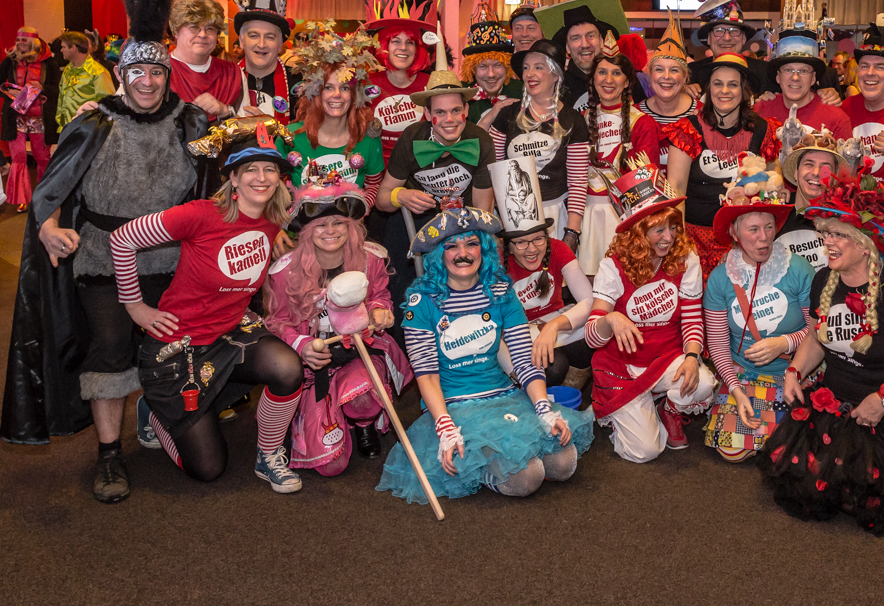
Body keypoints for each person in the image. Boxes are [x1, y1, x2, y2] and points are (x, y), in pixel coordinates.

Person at [1, 0, 211, 504]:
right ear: (121, 75)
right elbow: (51, 187)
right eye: (136, 72)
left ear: (168, 76)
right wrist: (46, 225)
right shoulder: (94, 121)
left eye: (156, 72)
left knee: (173, 345)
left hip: (173, 255)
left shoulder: (189, 121)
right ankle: (109, 455)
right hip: (101, 258)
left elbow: (217, 178)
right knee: (111, 351)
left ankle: (161, 423)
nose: (147, 82)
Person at [109, 116, 305, 492]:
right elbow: (121, 239)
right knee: (208, 469)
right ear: (232, 177)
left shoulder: (272, 219)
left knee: (287, 368)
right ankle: (157, 411)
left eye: (270, 169)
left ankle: (269, 455)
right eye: (250, 169)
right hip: (177, 346)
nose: (261, 178)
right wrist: (135, 307)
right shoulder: (199, 214)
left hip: (229, 334)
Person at [758, 173, 884, 535]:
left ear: (866, 245)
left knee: (868, 498)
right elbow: (817, 339)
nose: (827, 242)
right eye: (825, 233)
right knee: (811, 485)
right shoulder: (823, 281)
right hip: (834, 404)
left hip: (882, 414)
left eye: (838, 235)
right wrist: (794, 372)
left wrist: (882, 399)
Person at [377, 206, 593, 502]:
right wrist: (444, 427)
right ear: (438, 254)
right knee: (527, 478)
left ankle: (499, 455)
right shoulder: (421, 301)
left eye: (471, 244)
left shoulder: (501, 291)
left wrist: (543, 408)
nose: (461, 254)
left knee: (564, 463)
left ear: (484, 248)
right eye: (450, 246)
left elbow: (522, 356)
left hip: (501, 394)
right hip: (454, 403)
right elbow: (425, 374)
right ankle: (478, 470)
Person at [264, 178, 412, 476]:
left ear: (351, 226)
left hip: (360, 351)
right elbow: (276, 321)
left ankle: (364, 423)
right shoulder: (284, 272)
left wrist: (380, 312)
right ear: (306, 231)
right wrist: (302, 346)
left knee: (362, 399)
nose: (330, 231)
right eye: (320, 225)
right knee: (331, 466)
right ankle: (329, 418)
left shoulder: (371, 259)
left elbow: (380, 296)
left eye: (338, 223)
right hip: (314, 364)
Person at [586, 163, 715, 461]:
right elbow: (593, 338)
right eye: (659, 229)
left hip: (667, 358)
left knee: (704, 383)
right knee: (645, 452)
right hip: (622, 367)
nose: (669, 237)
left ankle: (669, 409)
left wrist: (693, 357)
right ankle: (636, 405)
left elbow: (693, 319)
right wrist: (610, 319)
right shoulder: (613, 267)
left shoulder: (686, 258)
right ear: (637, 232)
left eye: (673, 227)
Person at [702, 154, 814, 462]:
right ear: (735, 234)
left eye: (768, 227)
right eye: (753, 230)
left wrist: (785, 342)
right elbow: (718, 345)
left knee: (792, 452)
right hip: (744, 374)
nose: (763, 238)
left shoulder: (799, 269)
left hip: (797, 371)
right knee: (730, 449)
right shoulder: (721, 278)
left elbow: (819, 333)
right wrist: (736, 391)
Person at [378, 36, 497, 307]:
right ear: (427, 113)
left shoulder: (480, 140)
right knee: (403, 291)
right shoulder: (411, 138)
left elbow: (483, 211)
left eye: (456, 110)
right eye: (440, 112)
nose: (449, 120)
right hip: (415, 224)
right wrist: (402, 196)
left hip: (461, 224)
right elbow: (382, 200)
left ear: (466, 109)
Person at [664, 54, 782, 276]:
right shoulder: (687, 129)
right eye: (717, 84)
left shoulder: (763, 130)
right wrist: (681, 245)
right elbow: (675, 189)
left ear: (744, 90)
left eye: (733, 84)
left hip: (746, 243)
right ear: (709, 88)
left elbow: (773, 185)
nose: (724, 91)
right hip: (694, 240)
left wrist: (747, 244)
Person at [493, 161, 594, 389]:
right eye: (520, 242)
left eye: (539, 239)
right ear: (507, 246)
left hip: (553, 322)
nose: (531, 249)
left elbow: (589, 301)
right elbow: (491, 327)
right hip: (516, 335)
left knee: (588, 343)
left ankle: (567, 404)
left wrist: (553, 326)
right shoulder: (496, 263)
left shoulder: (558, 248)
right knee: (553, 365)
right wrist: (513, 369)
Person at [489, 39, 588, 253]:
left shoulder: (573, 120)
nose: (529, 74)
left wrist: (572, 231)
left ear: (555, 75)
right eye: (526, 68)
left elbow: (578, 181)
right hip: (511, 216)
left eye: (538, 67)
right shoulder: (506, 115)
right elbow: (492, 173)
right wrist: (497, 224)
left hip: (555, 215)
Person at [577, 33, 661, 275]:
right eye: (602, 72)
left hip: (626, 216)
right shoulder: (581, 120)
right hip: (587, 213)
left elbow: (648, 180)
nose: (609, 79)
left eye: (616, 73)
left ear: (627, 82)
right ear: (592, 80)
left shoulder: (642, 123)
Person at [280, 21, 385, 204]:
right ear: (316, 92)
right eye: (328, 87)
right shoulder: (290, 136)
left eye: (344, 88)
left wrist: (359, 210)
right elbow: (273, 182)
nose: (337, 95)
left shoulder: (367, 137)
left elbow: (373, 184)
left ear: (354, 95)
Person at [690, 0, 840, 102]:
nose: (727, 37)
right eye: (719, 30)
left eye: (734, 31)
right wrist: (682, 92)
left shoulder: (767, 72)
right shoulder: (692, 73)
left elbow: (799, 90)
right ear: (708, 39)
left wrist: (823, 92)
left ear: (743, 39)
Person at [364, 0, 438, 164]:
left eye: (410, 42)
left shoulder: (431, 83)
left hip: (419, 170)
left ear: (418, 48)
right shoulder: (366, 83)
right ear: (384, 45)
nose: (403, 48)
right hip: (375, 169)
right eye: (395, 41)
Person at [777, 130, 860, 272]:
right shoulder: (774, 216)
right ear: (796, 173)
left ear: (834, 178)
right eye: (809, 164)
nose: (816, 173)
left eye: (826, 167)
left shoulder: (848, 221)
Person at [2, 27, 61, 212]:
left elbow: (57, 89)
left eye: (23, 40)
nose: (19, 43)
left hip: (40, 117)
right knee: (18, 157)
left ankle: (44, 197)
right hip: (16, 117)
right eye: (18, 39)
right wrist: (6, 90)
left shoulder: (49, 62)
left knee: (42, 157)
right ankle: (22, 199)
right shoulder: (10, 60)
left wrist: (41, 87)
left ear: (33, 42)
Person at [547, 0, 645, 110]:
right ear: (568, 48)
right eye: (576, 38)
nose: (584, 44)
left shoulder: (624, 77)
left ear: (602, 41)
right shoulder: (557, 87)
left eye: (590, 36)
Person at [754, 28, 851, 138]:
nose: (795, 77)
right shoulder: (758, 113)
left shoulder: (837, 120)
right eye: (788, 70)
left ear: (813, 78)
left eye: (804, 71)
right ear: (778, 77)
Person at [843, 23, 884, 189]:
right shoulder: (844, 109)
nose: (870, 72)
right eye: (864, 66)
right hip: (851, 208)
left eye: (879, 66)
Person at [169, 0, 243, 124]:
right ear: (176, 31)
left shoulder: (233, 74)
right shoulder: (155, 71)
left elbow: (247, 130)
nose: (202, 34)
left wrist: (225, 111)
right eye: (194, 27)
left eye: (210, 28)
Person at [234, 0, 300, 123]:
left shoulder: (300, 86)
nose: (262, 44)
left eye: (270, 37)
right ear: (241, 41)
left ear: (280, 45)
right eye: (253, 35)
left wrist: (272, 127)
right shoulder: (226, 80)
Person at [637, 10, 697, 165]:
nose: (666, 76)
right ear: (650, 74)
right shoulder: (634, 115)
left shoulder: (702, 114)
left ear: (685, 78)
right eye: (659, 69)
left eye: (674, 70)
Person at [460, 2, 522, 128]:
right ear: (472, 69)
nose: (491, 74)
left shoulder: (521, 91)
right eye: (483, 66)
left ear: (507, 67)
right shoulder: (460, 95)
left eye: (498, 65)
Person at [55, 30, 115, 133]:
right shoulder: (68, 70)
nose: (61, 50)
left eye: (63, 47)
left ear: (73, 48)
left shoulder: (97, 71)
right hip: (67, 129)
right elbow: (62, 99)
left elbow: (107, 103)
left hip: (88, 131)